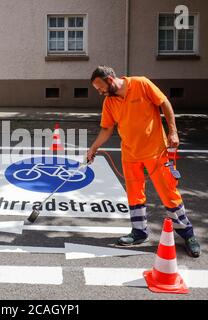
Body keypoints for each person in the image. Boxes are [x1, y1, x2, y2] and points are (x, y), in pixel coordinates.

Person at [86, 65, 201, 258]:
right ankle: (139, 232)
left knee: (168, 193)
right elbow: (106, 129)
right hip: (130, 154)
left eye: (100, 87)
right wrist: (93, 148)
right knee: (134, 194)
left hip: (156, 152)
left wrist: (173, 130)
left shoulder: (141, 84)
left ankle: (187, 234)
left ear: (110, 80)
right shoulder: (109, 102)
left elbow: (164, 103)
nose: (99, 92)